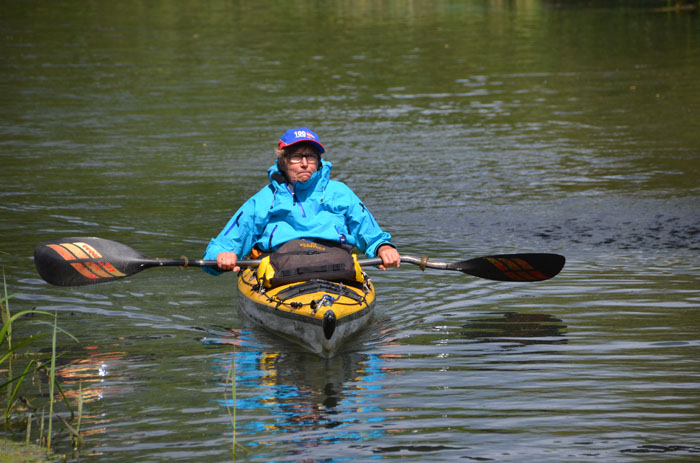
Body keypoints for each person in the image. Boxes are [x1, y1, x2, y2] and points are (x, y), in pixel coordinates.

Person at [203, 127, 401, 274]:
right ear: (283, 160)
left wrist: (384, 248)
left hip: (337, 270)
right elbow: (222, 246)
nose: (305, 163)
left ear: (319, 161)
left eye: (311, 156)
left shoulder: (340, 193)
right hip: (279, 274)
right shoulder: (264, 199)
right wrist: (222, 256)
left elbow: (372, 236)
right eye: (297, 156)